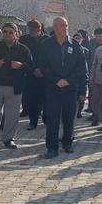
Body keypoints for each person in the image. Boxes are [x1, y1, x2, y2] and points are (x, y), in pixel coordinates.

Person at [38, 16, 88, 158]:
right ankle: (52, 148)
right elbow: (43, 66)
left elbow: (81, 68)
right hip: (53, 88)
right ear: (55, 27)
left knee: (69, 117)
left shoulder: (75, 45)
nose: (65, 28)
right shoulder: (46, 44)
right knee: (52, 118)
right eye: (61, 25)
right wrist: (56, 80)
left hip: (70, 88)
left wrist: (68, 80)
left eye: (66, 25)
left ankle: (67, 143)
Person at [0, 22, 32, 149]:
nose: (7, 34)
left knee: (12, 115)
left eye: (11, 32)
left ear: (16, 34)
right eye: (5, 31)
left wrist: (21, 66)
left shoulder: (23, 49)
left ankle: (8, 138)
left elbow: (31, 67)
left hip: (14, 87)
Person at [19, 20, 48, 130]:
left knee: (46, 99)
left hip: (45, 74)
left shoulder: (47, 40)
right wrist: (33, 69)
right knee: (32, 100)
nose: (32, 31)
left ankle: (46, 119)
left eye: (34, 28)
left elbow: (50, 58)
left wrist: (42, 70)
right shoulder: (24, 40)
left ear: (40, 29)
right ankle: (33, 121)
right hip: (30, 74)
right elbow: (23, 57)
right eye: (30, 28)